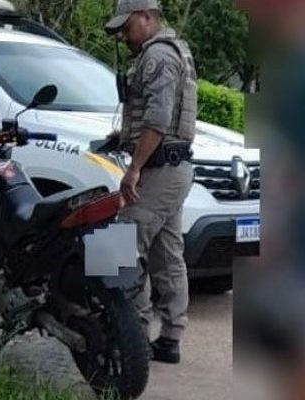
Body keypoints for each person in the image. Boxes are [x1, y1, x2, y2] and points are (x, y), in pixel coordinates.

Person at [104, 0, 197, 364]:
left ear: (146, 17)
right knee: (166, 253)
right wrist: (124, 139)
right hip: (173, 167)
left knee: (115, 247)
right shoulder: (172, 50)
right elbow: (163, 119)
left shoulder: (157, 56)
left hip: (159, 169)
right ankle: (170, 337)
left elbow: (158, 120)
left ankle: (128, 336)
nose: (123, 37)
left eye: (126, 28)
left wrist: (134, 168)